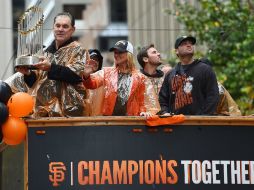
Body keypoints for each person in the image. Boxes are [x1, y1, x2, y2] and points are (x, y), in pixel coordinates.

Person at [5, 12, 87, 117]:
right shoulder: (45, 53)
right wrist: (27, 73)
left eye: (65, 26)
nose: (60, 29)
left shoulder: (79, 50)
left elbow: (76, 75)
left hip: (70, 114)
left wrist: (51, 67)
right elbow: (35, 83)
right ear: (53, 28)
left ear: (72, 30)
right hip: (44, 113)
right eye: (58, 25)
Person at [82, 40, 151, 117]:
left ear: (129, 54)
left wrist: (143, 112)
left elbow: (141, 100)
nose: (116, 55)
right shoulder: (107, 72)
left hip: (131, 120)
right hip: (110, 120)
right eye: (115, 52)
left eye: (120, 52)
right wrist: (86, 75)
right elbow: (92, 84)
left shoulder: (139, 77)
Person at [159, 35, 219, 115]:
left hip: (199, 123)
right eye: (184, 43)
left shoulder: (205, 70)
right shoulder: (171, 73)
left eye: (191, 43)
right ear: (176, 51)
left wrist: (203, 118)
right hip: (175, 123)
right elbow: (163, 98)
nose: (189, 45)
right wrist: (165, 112)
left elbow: (213, 96)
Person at [137, 44, 171, 114]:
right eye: (154, 52)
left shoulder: (166, 78)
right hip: (142, 121)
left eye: (157, 52)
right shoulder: (137, 78)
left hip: (164, 120)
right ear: (145, 59)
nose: (159, 54)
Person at [83, 49, 104, 116]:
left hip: (99, 119)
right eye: (92, 59)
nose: (95, 62)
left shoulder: (104, 77)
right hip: (84, 118)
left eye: (97, 60)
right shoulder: (79, 77)